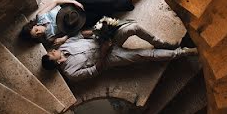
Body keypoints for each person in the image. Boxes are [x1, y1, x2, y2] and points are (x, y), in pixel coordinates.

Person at [20, 0, 152, 47]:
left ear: (34, 25)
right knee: (109, 7)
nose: (38, 33)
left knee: (104, 0)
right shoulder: (48, 38)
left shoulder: (40, 16)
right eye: (36, 36)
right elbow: (72, 33)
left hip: (73, 3)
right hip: (79, 20)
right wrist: (64, 38)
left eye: (35, 30)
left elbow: (55, 2)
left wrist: (73, 2)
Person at [41, 24, 198, 83]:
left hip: (104, 40)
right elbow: (96, 71)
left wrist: (98, 32)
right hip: (110, 57)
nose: (53, 50)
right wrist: (103, 53)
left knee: (133, 27)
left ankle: (160, 43)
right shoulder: (71, 74)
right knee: (145, 55)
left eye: (51, 51)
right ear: (57, 62)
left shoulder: (65, 45)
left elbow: (82, 35)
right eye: (51, 54)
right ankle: (182, 53)